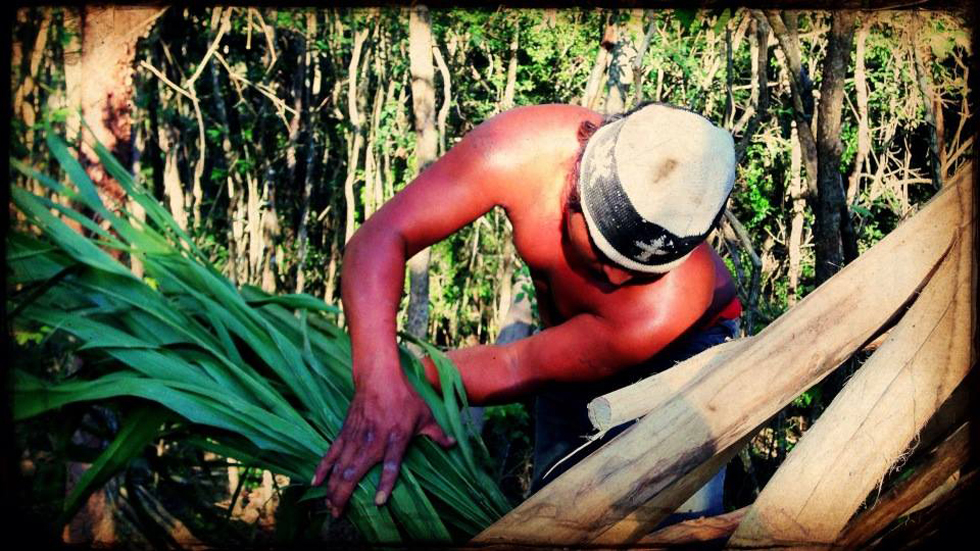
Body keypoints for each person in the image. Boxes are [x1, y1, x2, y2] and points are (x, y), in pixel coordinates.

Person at [311, 102, 741, 521]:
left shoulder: (667, 304)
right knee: (557, 506)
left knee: (655, 520)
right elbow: (386, 234)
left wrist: (403, 386)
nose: (612, 277)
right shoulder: (521, 151)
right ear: (574, 189)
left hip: (679, 356)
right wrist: (384, 382)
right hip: (571, 340)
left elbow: (520, 364)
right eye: (601, 247)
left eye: (636, 269)